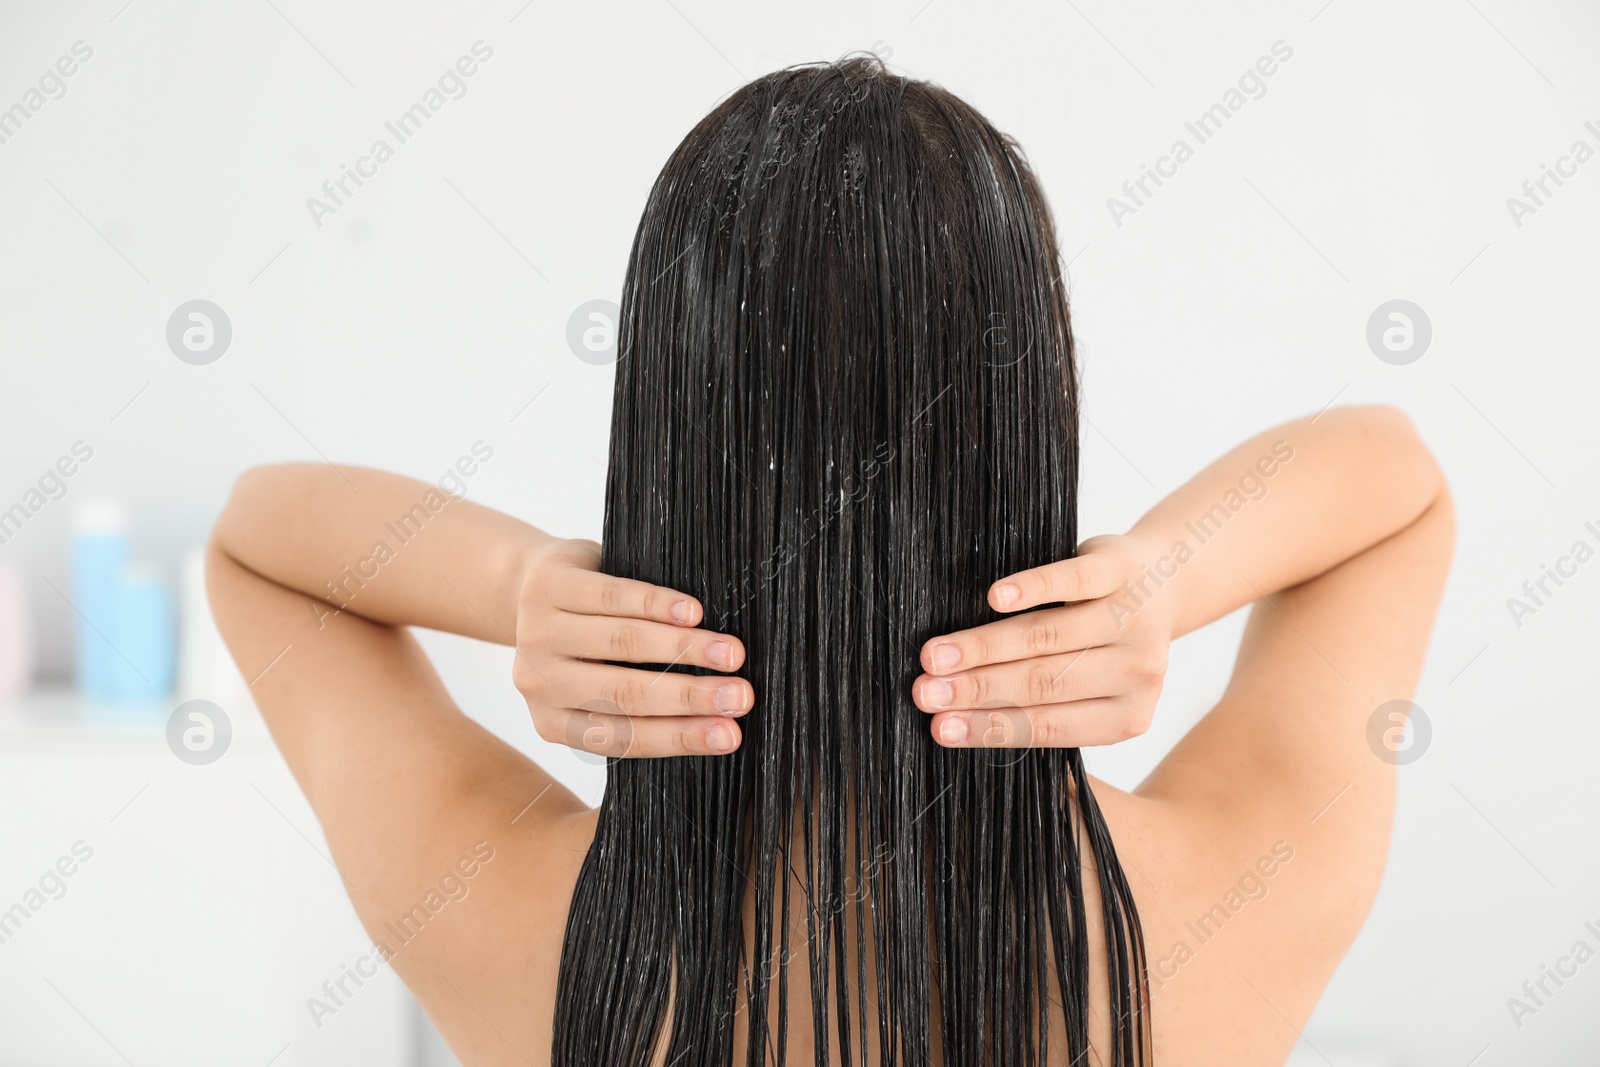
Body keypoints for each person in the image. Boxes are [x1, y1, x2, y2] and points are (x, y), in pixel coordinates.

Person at [207, 56, 1453, 1067]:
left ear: (662, 431)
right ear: (1027, 421)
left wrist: (515, 586)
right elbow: (1397, 484)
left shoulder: (517, 928)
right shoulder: (1225, 909)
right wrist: (1165, 579)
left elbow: (258, 543)